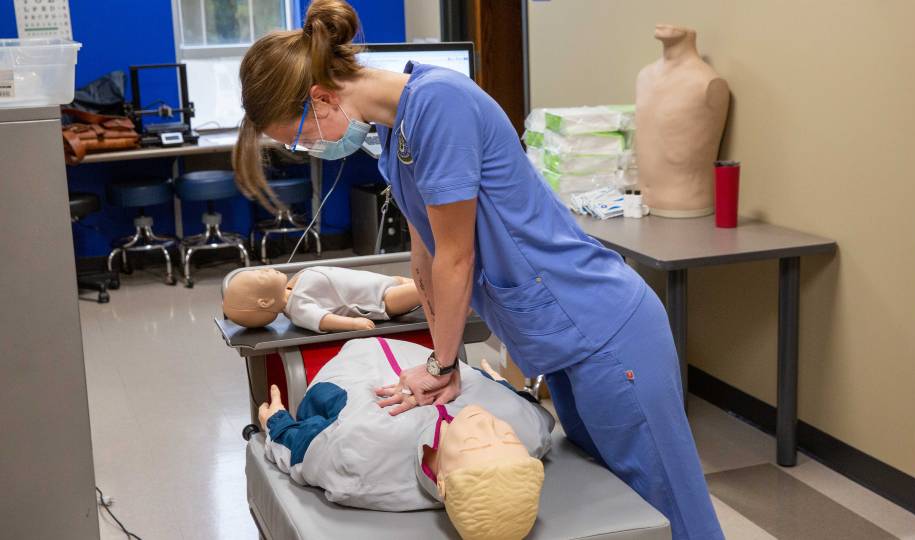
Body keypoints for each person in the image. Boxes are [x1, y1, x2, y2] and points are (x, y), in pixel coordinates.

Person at [232, 1, 723, 537]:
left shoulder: (438, 106)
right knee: (615, 502)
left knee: (667, 508)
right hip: (561, 344)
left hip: (604, 328)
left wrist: (443, 367)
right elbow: (426, 257)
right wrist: (432, 335)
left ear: (321, 97)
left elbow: (457, 255)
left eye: (300, 135)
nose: (309, 147)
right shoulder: (394, 137)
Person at [257, 336, 554, 540]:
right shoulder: (529, 430)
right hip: (431, 359)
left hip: (355, 366)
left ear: (442, 482)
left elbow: (305, 449)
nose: (486, 422)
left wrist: (277, 424)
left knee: (325, 415)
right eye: (506, 437)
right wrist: (499, 384)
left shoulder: (364, 458)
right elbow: (529, 409)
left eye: (476, 443)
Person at [222, 266, 419, 332]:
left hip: (387, 282)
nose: (264, 269)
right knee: (432, 287)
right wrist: (353, 323)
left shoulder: (293, 286)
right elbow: (323, 320)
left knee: (428, 281)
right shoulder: (298, 308)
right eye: (261, 275)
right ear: (264, 302)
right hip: (382, 300)